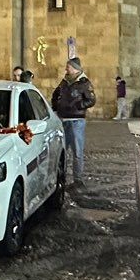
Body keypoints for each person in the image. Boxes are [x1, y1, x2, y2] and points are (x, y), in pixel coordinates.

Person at [50, 57, 96, 185]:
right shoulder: (64, 82)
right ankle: (61, 177)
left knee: (77, 151)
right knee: (62, 151)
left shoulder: (84, 83)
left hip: (76, 121)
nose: (66, 69)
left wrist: (77, 106)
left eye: (68, 66)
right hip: (63, 120)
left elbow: (91, 100)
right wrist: (56, 107)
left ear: (75, 68)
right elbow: (55, 94)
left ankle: (78, 179)